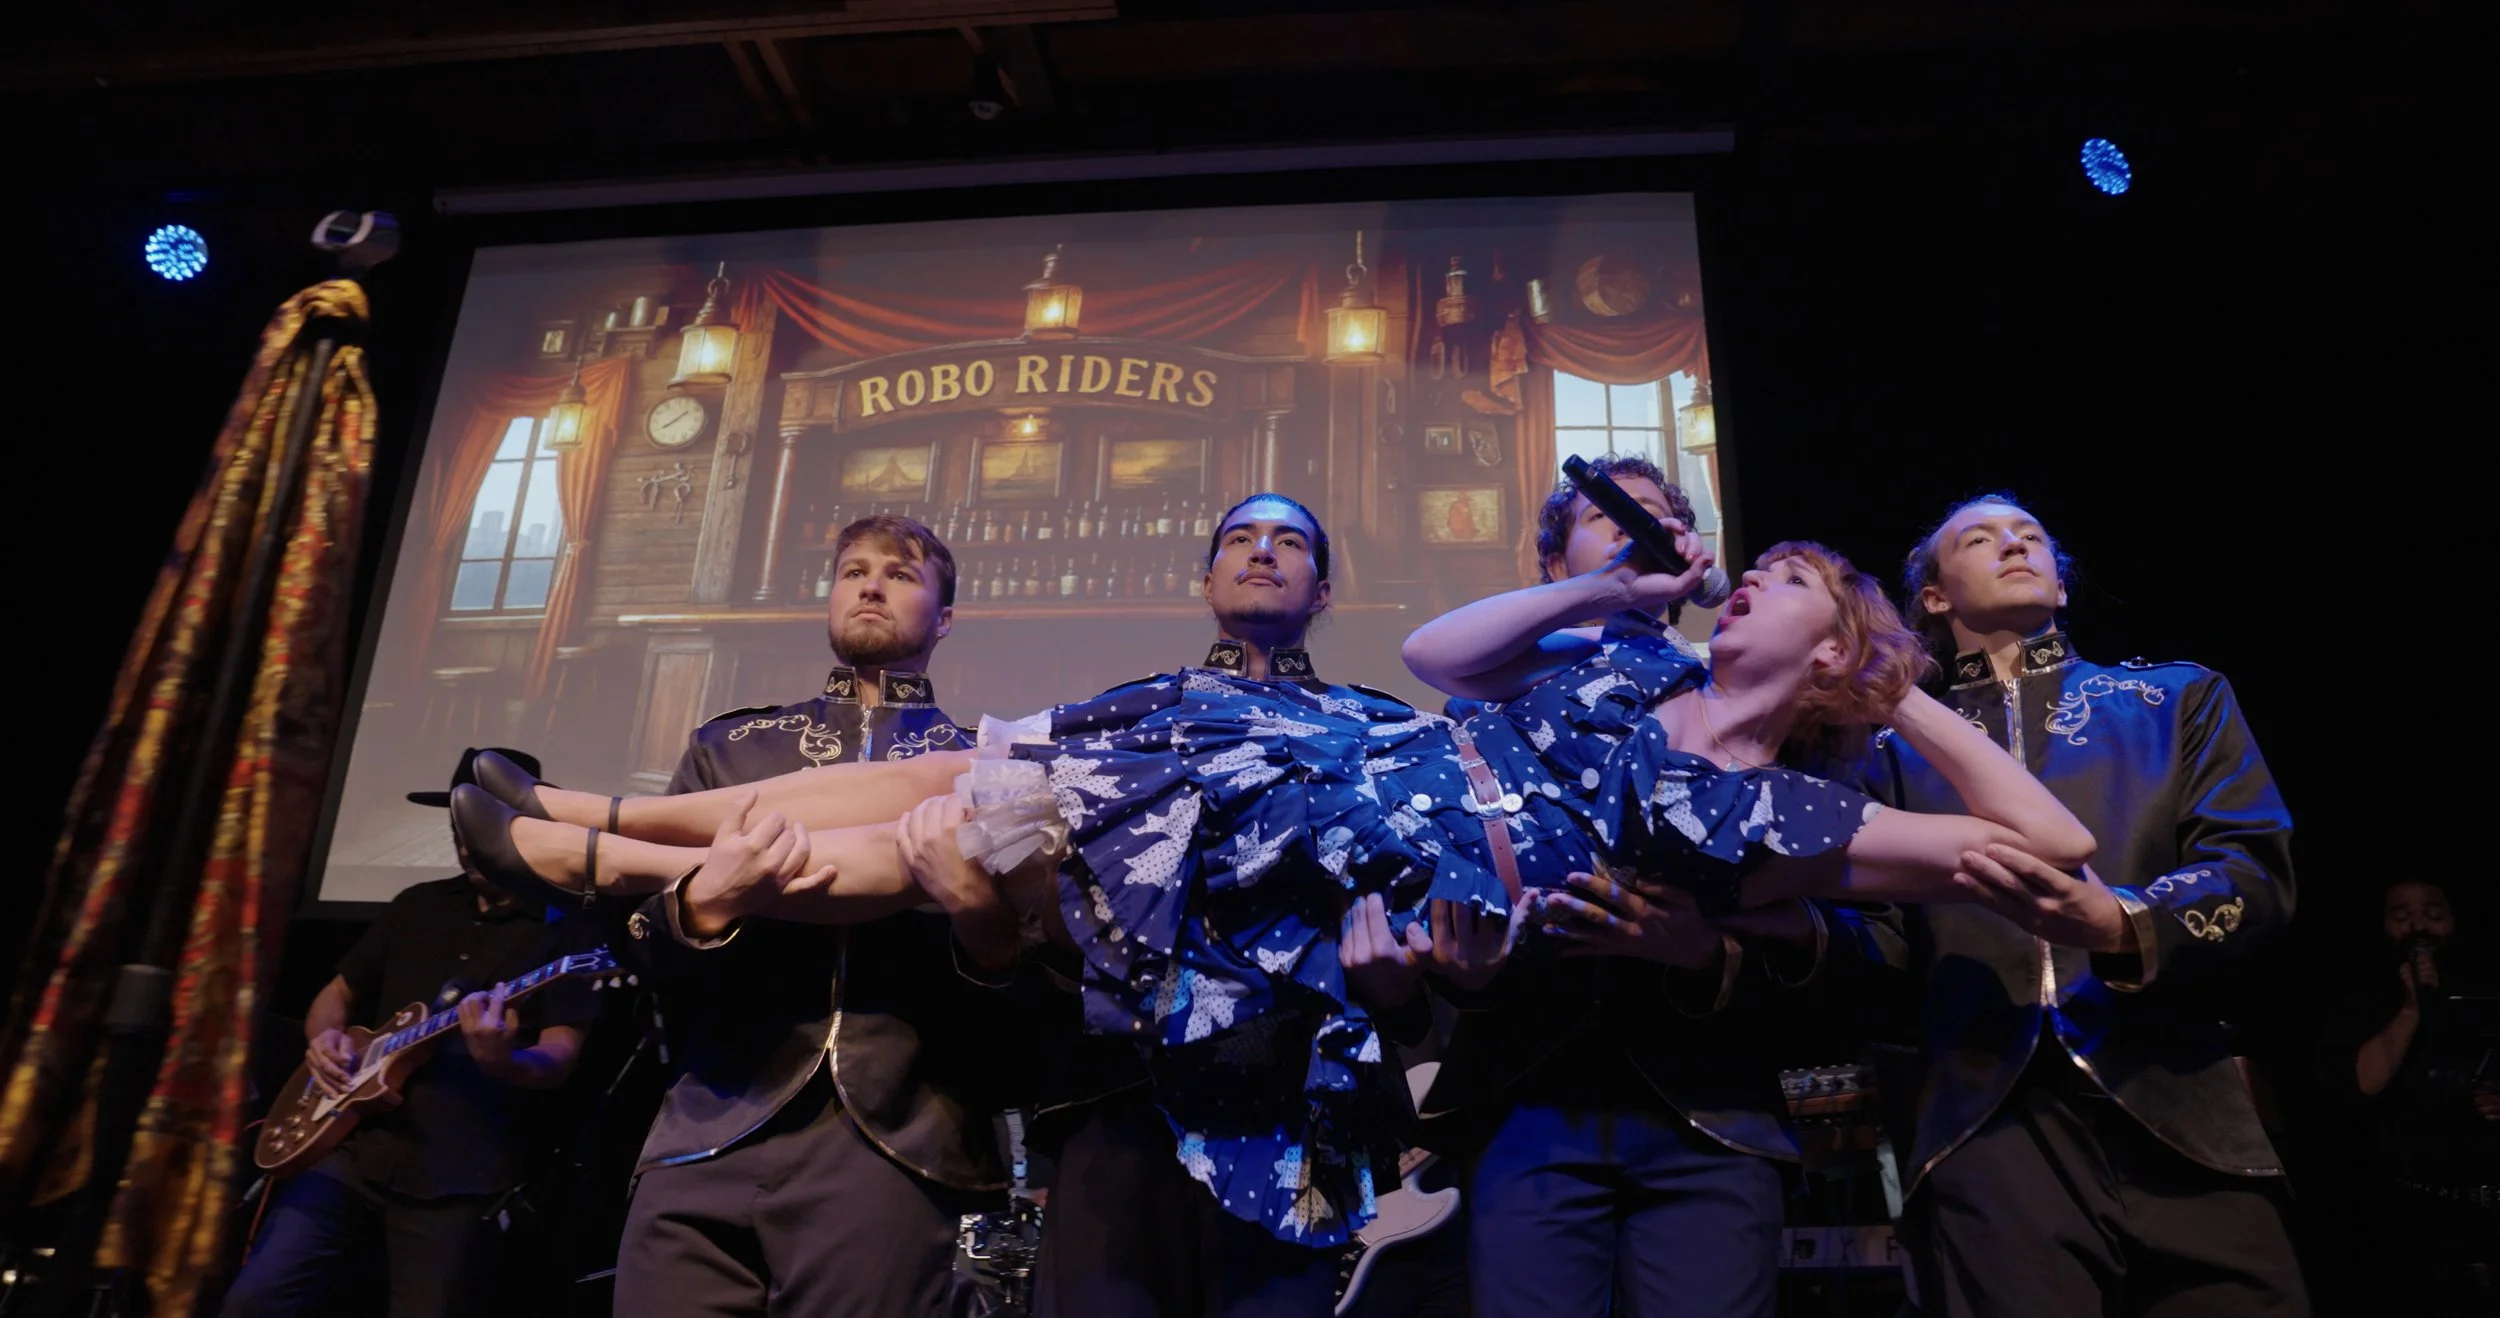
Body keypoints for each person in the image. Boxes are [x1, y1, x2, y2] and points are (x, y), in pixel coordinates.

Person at [452, 496, 2090, 1297]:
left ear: (1836, 642)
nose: (1742, 586)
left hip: (1361, 854)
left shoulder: (1778, 809)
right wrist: (1614, 581)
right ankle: (587, 824)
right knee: (969, 775)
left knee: (981, 830)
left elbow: (2048, 844)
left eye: (1784, 584)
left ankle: (590, 848)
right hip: (1340, 752)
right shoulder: (1630, 672)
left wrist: (1908, 690)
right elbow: (1445, 655)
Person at [1409, 456, 1910, 1318]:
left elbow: (1876, 935)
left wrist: (1715, 952)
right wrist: (1609, 591)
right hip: (1534, 1092)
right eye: (1605, 515)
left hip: (1716, 1108)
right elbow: (1429, 655)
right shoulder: (1520, 674)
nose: (1634, 523)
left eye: (1654, 512)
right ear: (1556, 564)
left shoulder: (1757, 689)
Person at [1863, 492, 2305, 1318]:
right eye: (1981, 538)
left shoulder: (2176, 700)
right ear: (1934, 597)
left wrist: (2121, 922)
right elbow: (1875, 938)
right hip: (1987, 1121)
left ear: (2062, 586)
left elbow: (2253, 873)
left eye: (2031, 536)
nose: (2014, 545)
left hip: (2180, 1099)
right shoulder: (1889, 751)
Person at [593, 514, 1011, 1318]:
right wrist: (703, 905)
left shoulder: (985, 767)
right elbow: (630, 940)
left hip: (902, 1140)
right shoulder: (730, 749)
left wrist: (978, 915)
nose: (871, 585)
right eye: (854, 571)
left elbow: (1029, 994)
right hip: (708, 1124)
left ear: (945, 618)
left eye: (900, 574)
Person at [219, 749, 599, 1318]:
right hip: (353, 1149)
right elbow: (336, 995)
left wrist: (502, 1060)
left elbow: (559, 1057)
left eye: (481, 830)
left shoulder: (567, 933)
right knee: (255, 1301)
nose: (467, 846)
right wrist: (323, 1041)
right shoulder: (417, 905)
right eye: (460, 830)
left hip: (460, 1176)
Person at [2319, 877, 2498, 1316]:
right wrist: (2411, 1009)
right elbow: (2360, 1085)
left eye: (2432, 914)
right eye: (2401, 916)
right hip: (2403, 1213)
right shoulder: (2359, 1000)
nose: (2417, 926)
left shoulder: (2486, 991)